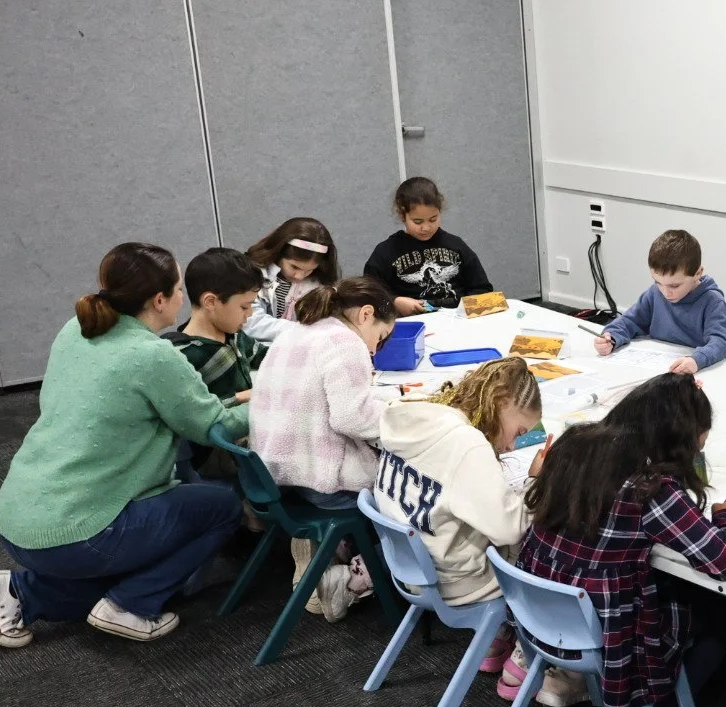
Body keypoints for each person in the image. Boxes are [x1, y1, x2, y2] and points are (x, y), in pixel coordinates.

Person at [0, 243, 247, 646]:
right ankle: (132, 605)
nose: (182, 296)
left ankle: (21, 591)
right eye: (178, 289)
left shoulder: (77, 329)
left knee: (138, 553)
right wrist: (273, 401)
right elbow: (213, 426)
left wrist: (232, 402)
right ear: (159, 300)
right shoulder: (153, 356)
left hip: (17, 517)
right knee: (221, 508)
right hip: (77, 533)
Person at [517, 373, 726, 707]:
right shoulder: (651, 488)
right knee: (720, 613)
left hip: (541, 620)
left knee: (613, 569)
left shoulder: (572, 445)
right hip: (609, 635)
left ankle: (568, 677)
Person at [376, 358, 548, 676]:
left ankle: (495, 639)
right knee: (549, 543)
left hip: (408, 568)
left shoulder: (409, 414)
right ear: (500, 401)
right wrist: (535, 481)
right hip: (457, 582)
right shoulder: (467, 445)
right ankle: (538, 655)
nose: (512, 444)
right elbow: (512, 529)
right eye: (518, 431)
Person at [249, 277, 396, 621]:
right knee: (414, 508)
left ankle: (331, 553)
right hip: (319, 483)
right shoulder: (345, 343)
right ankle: (350, 580)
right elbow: (352, 419)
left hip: (275, 474)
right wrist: (400, 417)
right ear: (366, 315)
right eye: (380, 337)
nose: (375, 349)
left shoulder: (298, 331)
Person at [163, 248, 267, 479]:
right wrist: (246, 395)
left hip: (248, 432)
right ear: (211, 301)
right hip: (218, 454)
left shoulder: (235, 336)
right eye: (244, 307)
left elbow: (269, 357)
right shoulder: (182, 355)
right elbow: (193, 416)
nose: (249, 314)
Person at [593, 229, 726, 374]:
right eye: (658, 282)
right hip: (654, 367)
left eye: (674, 285)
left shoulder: (712, 301)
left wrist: (697, 360)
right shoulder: (655, 293)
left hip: (693, 373)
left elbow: (720, 342)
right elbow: (629, 321)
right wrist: (611, 337)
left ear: (697, 273)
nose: (666, 292)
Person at [365, 176, 492, 315]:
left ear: (440, 211)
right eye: (418, 222)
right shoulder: (386, 252)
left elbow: (482, 288)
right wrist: (394, 302)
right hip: (413, 324)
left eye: (433, 219)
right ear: (402, 215)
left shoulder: (456, 245)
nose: (426, 228)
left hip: (457, 321)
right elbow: (369, 295)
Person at [244, 217, 339, 343]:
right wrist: (300, 331)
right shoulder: (251, 274)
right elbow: (250, 322)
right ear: (278, 252)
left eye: (309, 270)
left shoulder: (319, 284)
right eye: (294, 266)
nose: (299, 276)